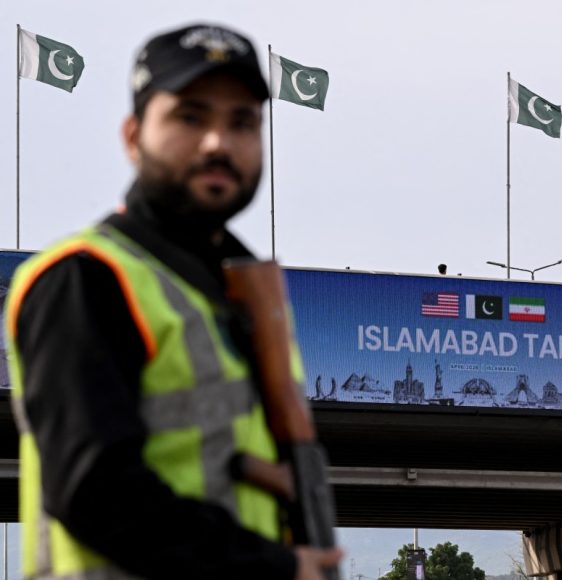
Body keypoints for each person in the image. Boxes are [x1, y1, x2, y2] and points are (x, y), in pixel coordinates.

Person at [4, 24, 341, 579]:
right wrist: (273, 566)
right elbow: (96, 491)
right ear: (133, 136)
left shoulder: (231, 297)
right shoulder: (86, 278)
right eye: (191, 116)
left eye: (242, 122)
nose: (218, 142)